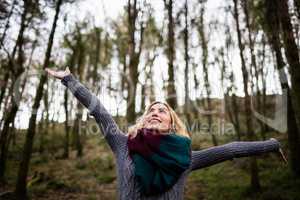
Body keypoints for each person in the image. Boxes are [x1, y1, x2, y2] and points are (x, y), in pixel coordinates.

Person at [45, 67, 286, 200]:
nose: (155, 112)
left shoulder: (186, 157)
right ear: (144, 119)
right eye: (151, 110)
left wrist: (272, 144)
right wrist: (69, 80)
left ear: (172, 123)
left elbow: (231, 149)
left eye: (162, 110)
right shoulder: (123, 144)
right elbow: (99, 111)